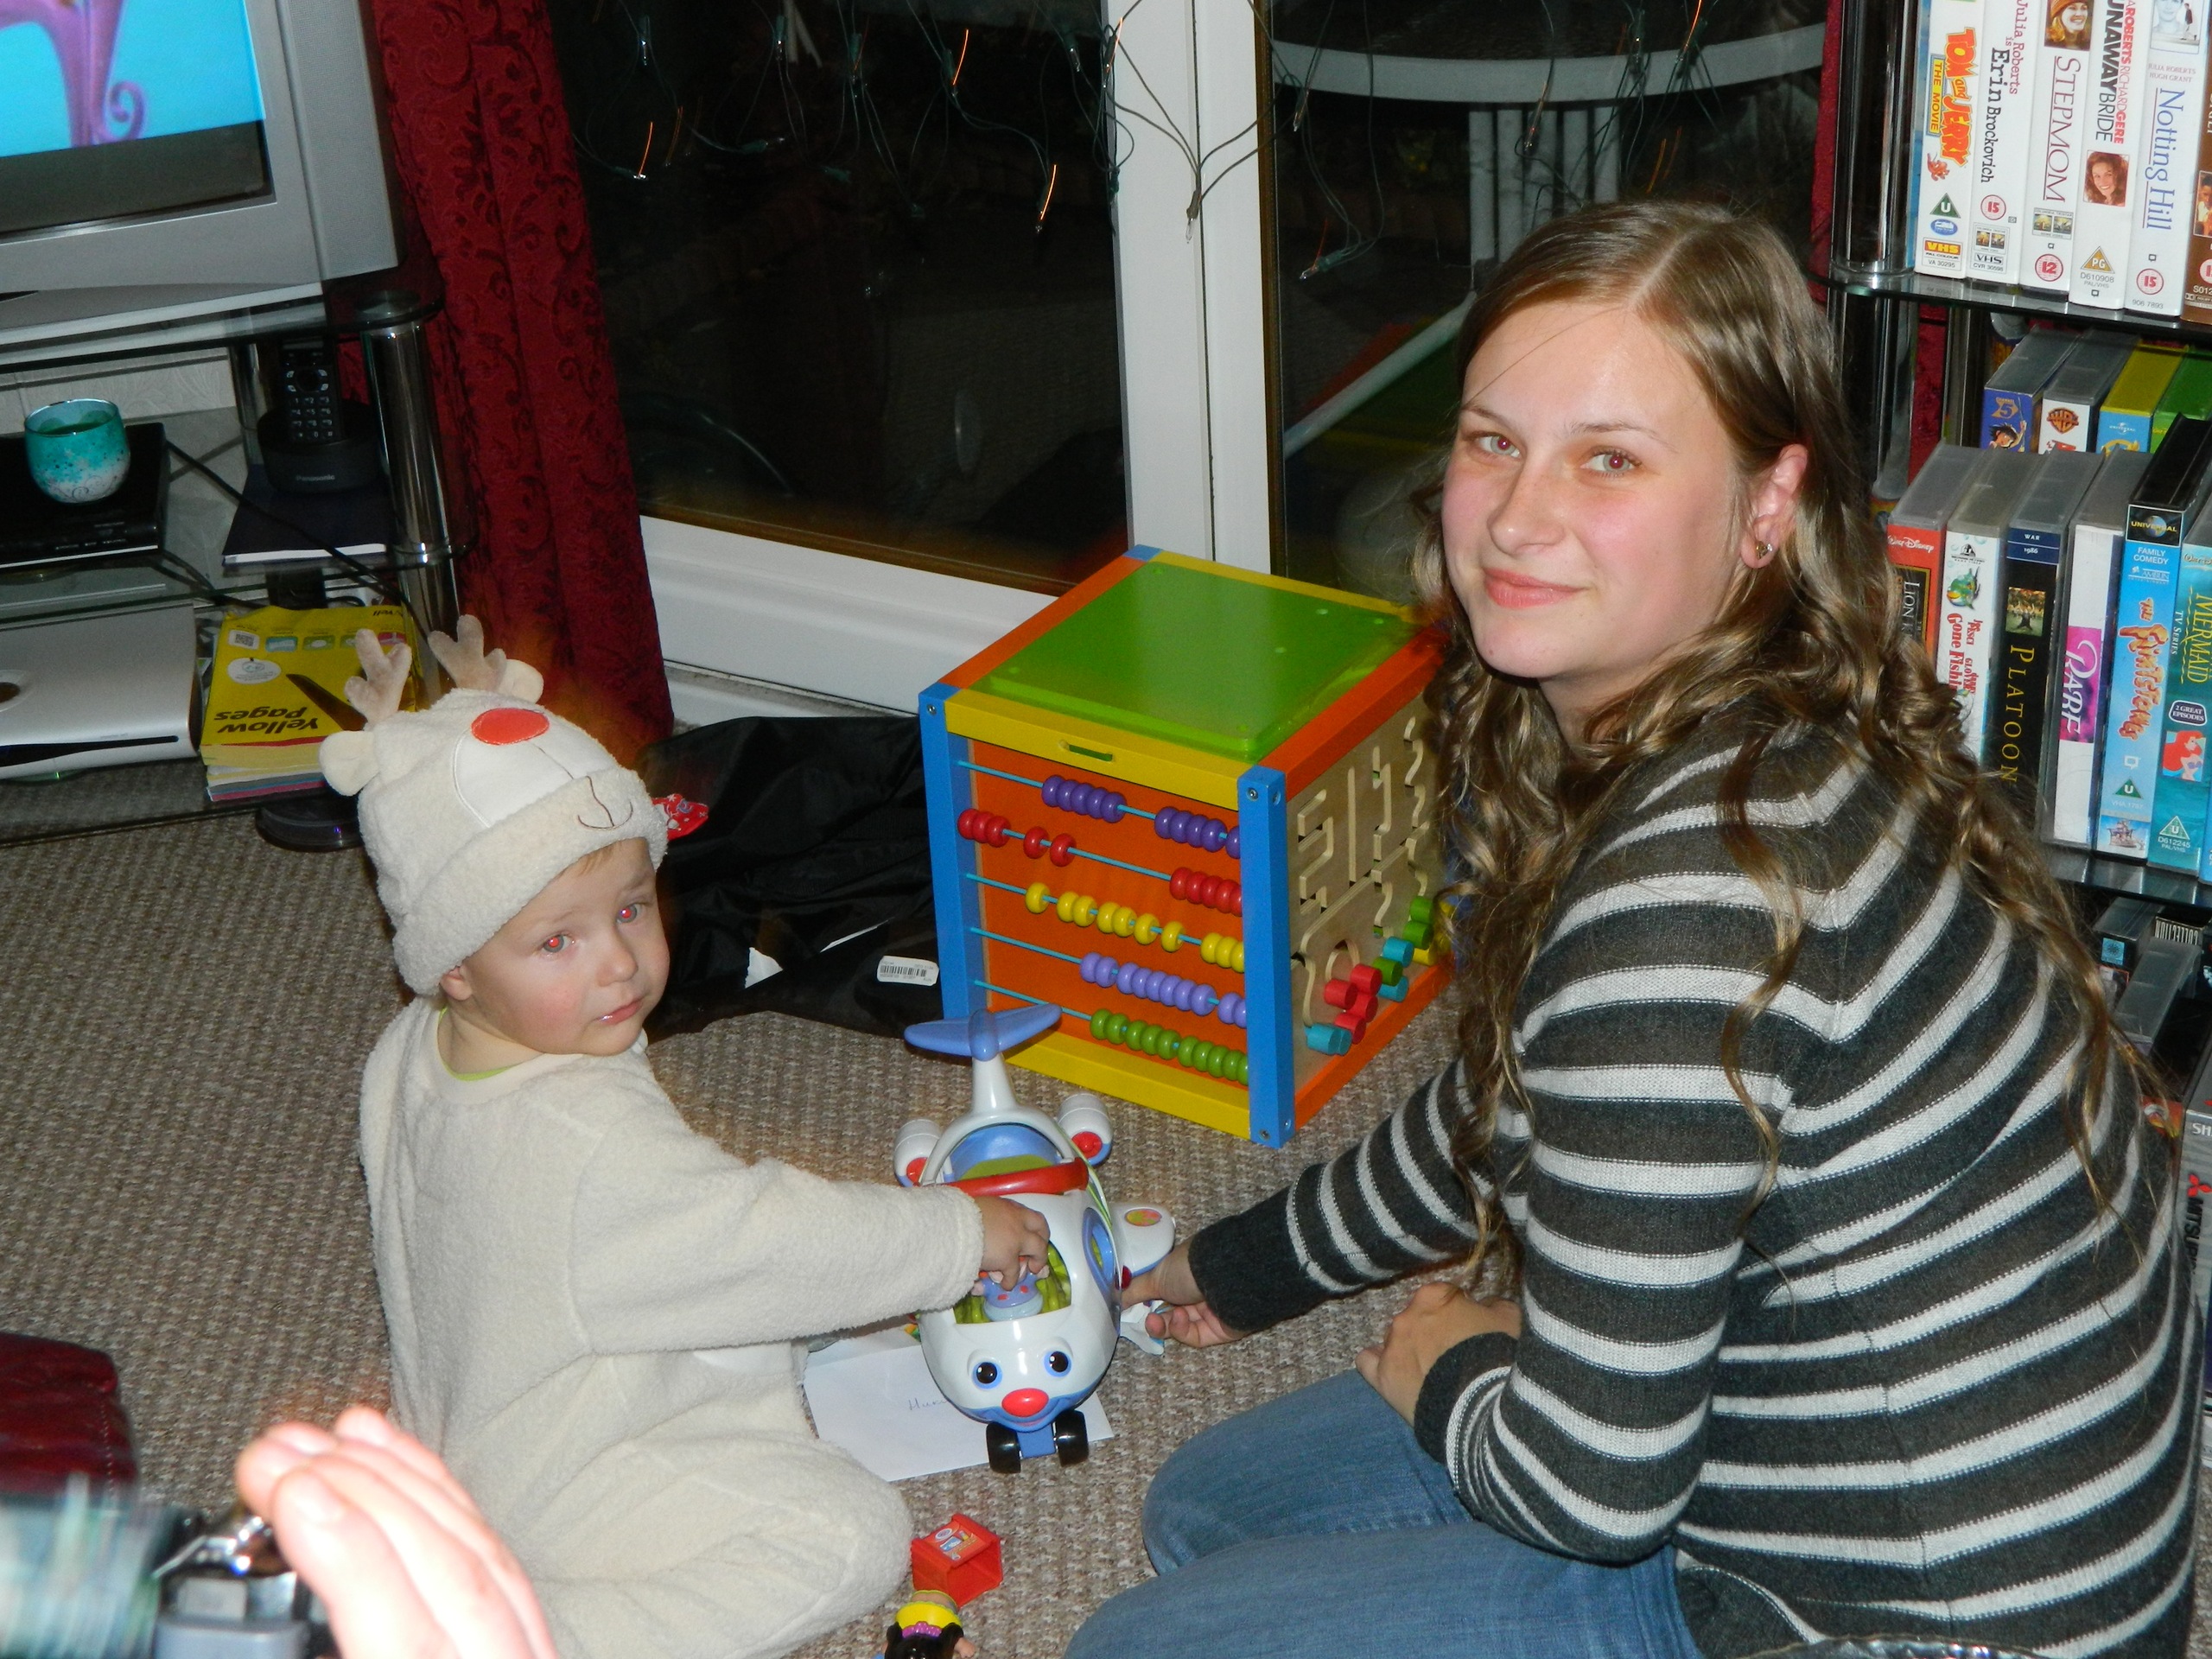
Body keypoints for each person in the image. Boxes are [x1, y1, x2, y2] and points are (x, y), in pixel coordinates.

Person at [1076, 200, 2196, 1659]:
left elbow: (1591, 1491)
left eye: (1609, 459)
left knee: (1139, 1646)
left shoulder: (1693, 895)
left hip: (1898, 1619)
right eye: (1494, 440)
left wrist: (1447, 1370)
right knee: (1213, 1508)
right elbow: (1523, 1095)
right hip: (1921, 1469)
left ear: (1766, 503)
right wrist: (1237, 1270)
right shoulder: (1780, 712)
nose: (1517, 519)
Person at [316, 620, 1050, 1659]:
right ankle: (528, 1633)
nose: (618, 962)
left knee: (724, 1288)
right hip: (566, 1480)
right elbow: (760, 1241)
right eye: (557, 940)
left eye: (629, 908)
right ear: (455, 965)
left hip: (468, 1420)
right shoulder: (587, 1144)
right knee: (848, 1533)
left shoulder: (413, 1046)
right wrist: (957, 1236)